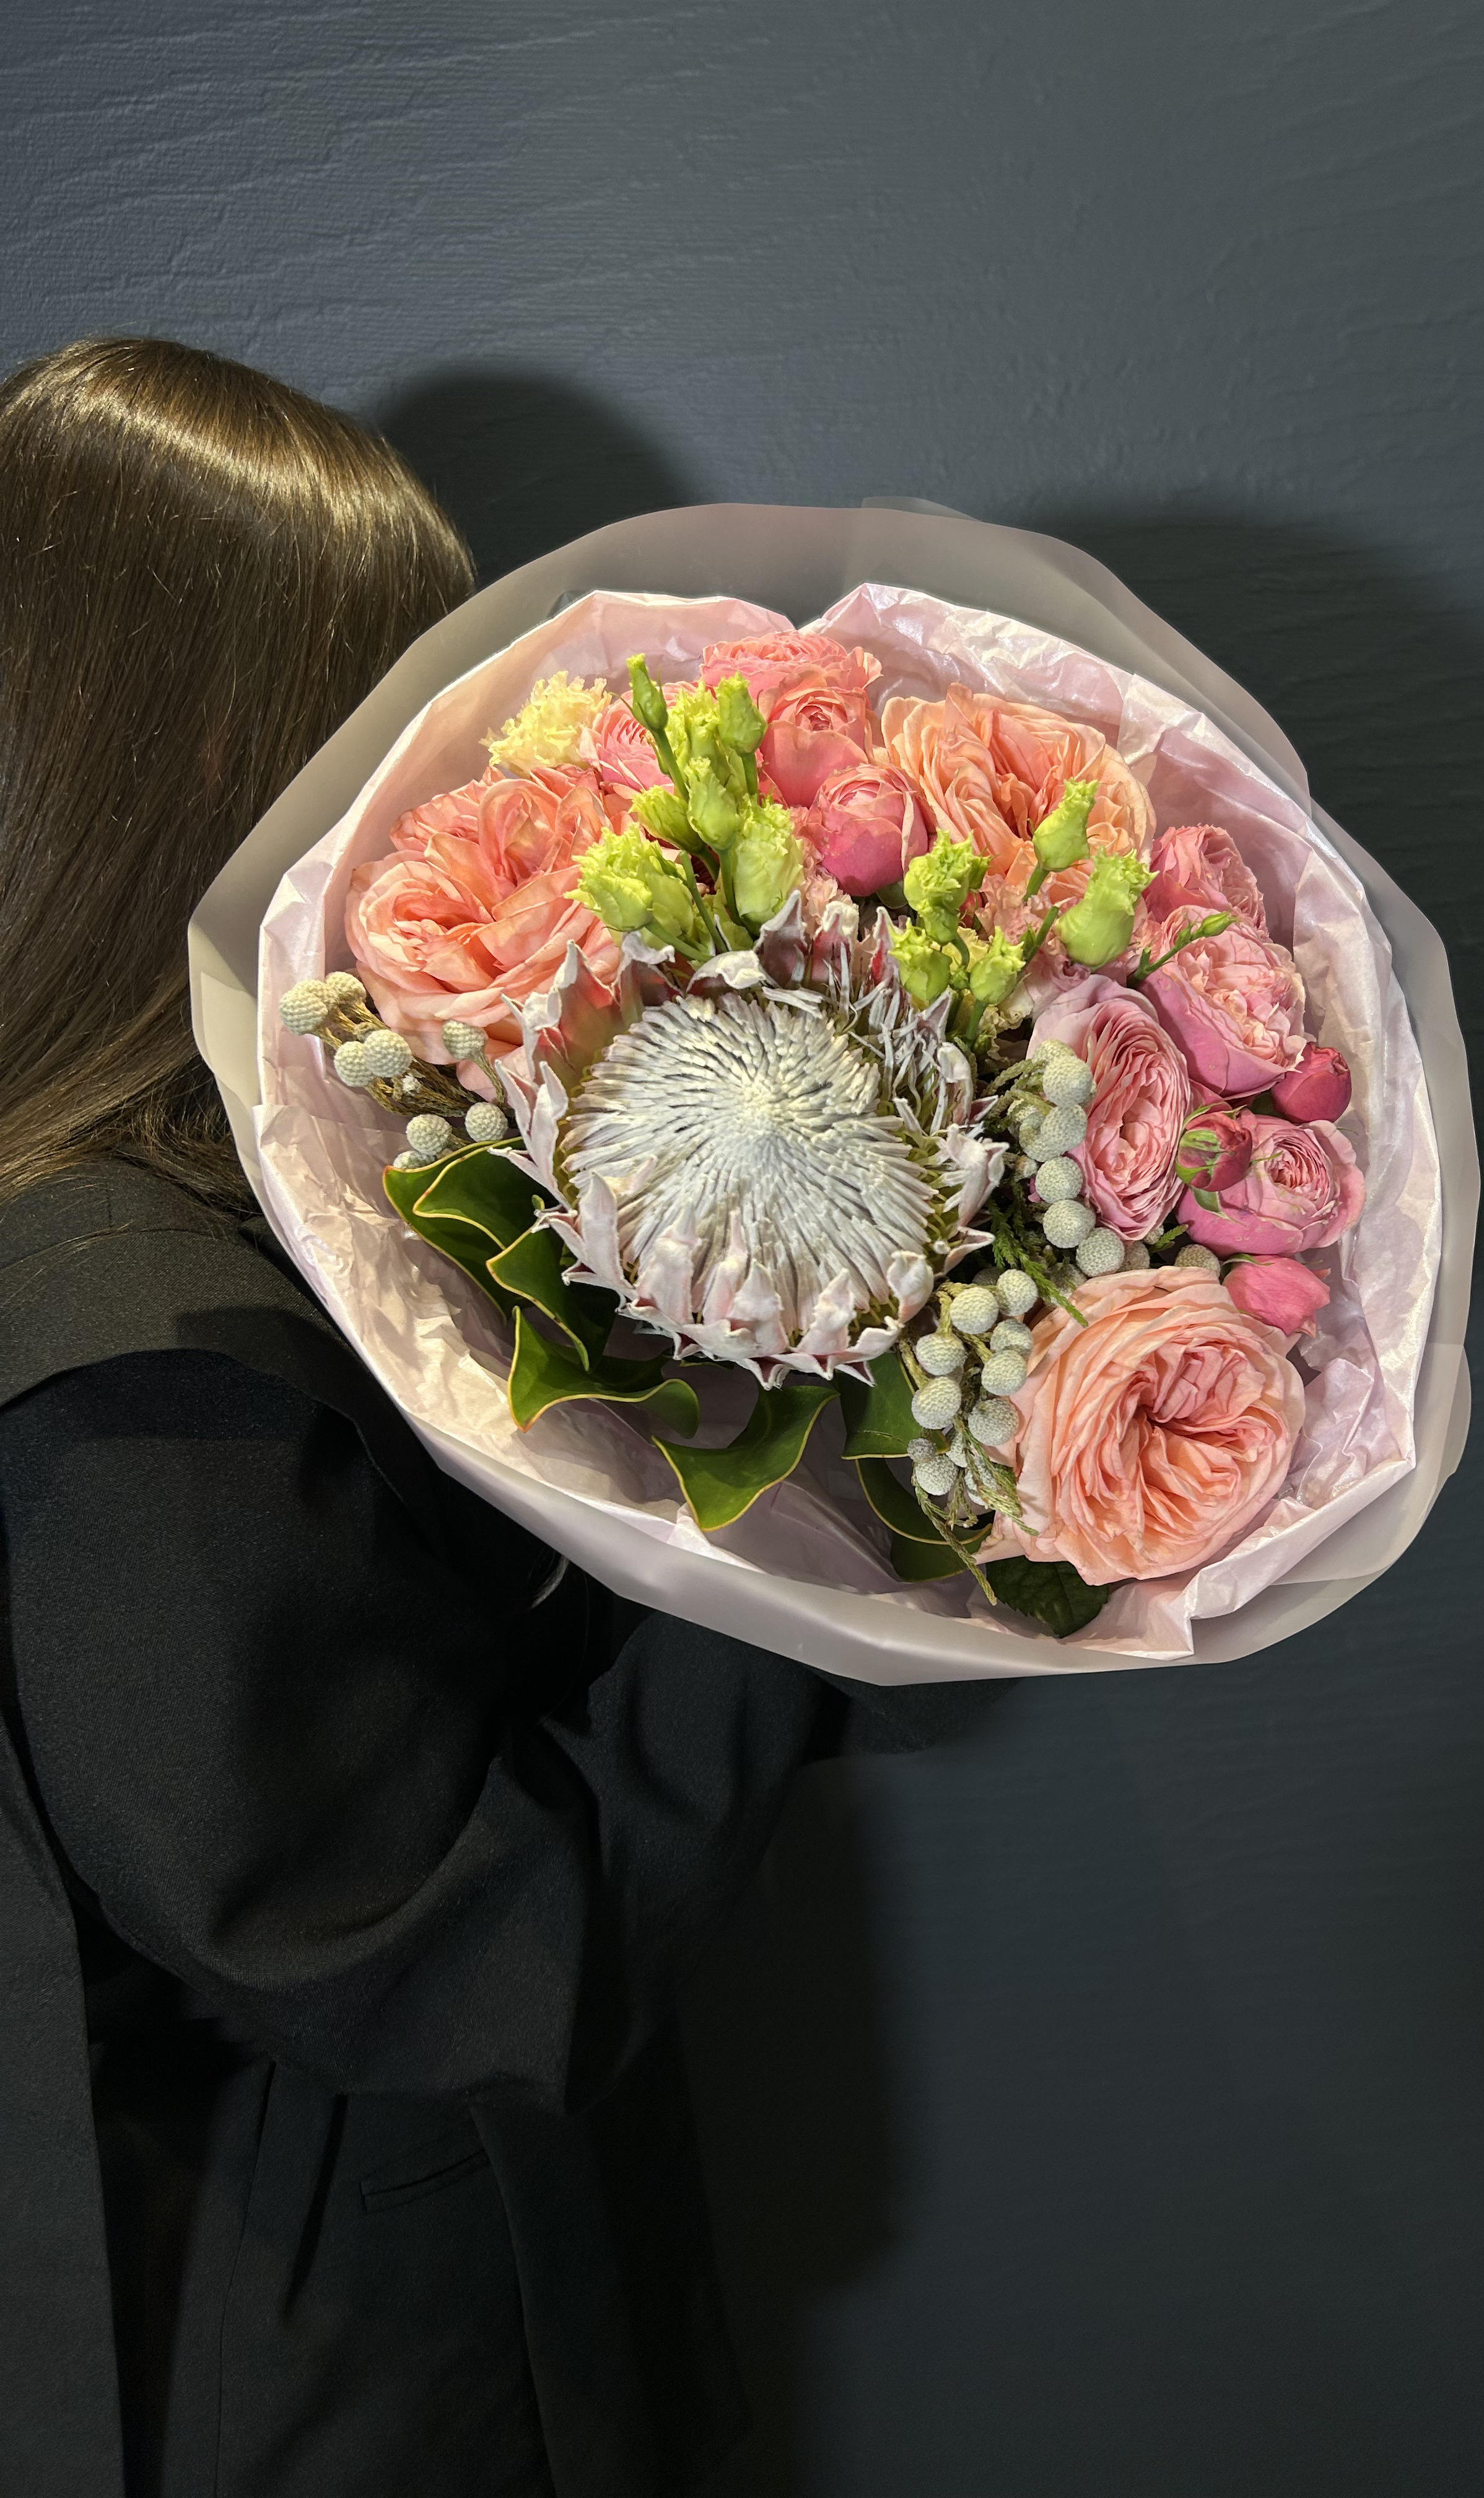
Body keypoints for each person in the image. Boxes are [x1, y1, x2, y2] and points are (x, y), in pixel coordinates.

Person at [0, 338, 952, 2498]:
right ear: (222, 751)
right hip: (332, 2395)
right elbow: (458, 1966)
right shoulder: (133, 1384)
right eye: (386, 710)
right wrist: (818, 1523)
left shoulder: (150, 1206)